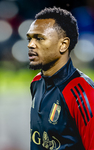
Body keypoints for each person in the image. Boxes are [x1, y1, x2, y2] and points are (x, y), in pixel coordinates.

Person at [26, 7, 94, 150]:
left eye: (39, 38)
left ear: (63, 45)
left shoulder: (83, 92)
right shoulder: (36, 82)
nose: (30, 45)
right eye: (30, 38)